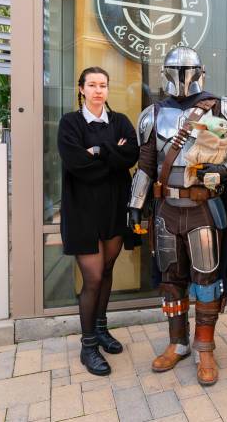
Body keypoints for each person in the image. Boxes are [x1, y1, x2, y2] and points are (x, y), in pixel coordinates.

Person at [127, 46, 227, 385]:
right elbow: (147, 165)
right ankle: (177, 342)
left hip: (202, 208)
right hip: (167, 209)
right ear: (165, 73)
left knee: (207, 278)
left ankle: (205, 346)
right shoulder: (152, 113)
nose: (182, 78)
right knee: (171, 279)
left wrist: (224, 169)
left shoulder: (223, 107)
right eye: (176, 71)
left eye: (188, 71)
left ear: (200, 72)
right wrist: (135, 202)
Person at [57, 66, 139, 376]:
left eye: (103, 85)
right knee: (91, 279)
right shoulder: (70, 123)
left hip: (114, 208)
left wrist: (97, 151)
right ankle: (88, 345)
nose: (98, 90)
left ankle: (102, 329)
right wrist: (110, 156)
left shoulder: (119, 121)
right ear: (81, 89)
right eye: (91, 85)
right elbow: (77, 164)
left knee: (106, 270)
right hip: (82, 212)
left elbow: (131, 155)